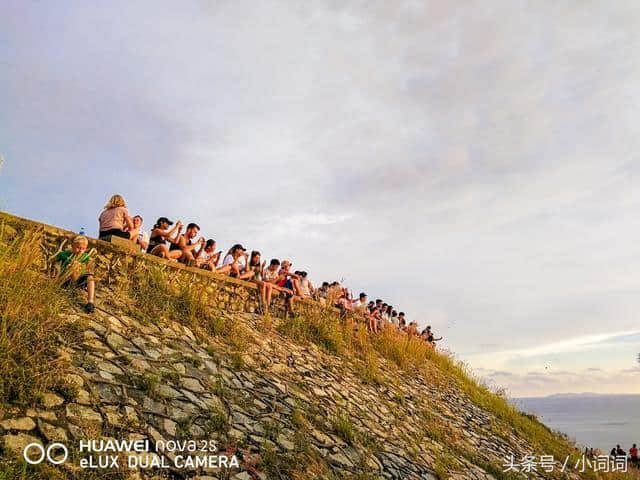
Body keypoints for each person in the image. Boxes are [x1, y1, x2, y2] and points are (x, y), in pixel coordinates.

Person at [55, 235, 96, 313]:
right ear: (72, 246)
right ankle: (71, 289)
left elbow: (89, 266)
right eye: (78, 248)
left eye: (83, 249)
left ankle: (90, 302)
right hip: (66, 280)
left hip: (78, 280)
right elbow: (54, 260)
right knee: (74, 265)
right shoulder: (64, 254)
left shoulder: (85, 257)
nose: (80, 250)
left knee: (90, 277)